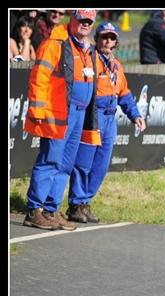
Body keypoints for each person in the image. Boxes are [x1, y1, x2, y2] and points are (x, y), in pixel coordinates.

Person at [22, 9, 101, 231]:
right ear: (72, 19)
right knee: (50, 161)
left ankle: (51, 210)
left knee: (65, 165)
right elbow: (39, 77)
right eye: (81, 19)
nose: (85, 24)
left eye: (89, 21)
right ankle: (34, 210)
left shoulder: (86, 48)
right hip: (57, 114)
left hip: (79, 114)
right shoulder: (54, 43)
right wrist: (38, 111)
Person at [67, 22, 146, 224]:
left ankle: (85, 202)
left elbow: (124, 93)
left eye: (111, 38)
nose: (107, 41)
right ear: (97, 39)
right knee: (83, 163)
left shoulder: (117, 65)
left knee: (101, 165)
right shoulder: (90, 59)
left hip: (111, 118)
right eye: (104, 37)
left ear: (116, 42)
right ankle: (76, 204)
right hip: (93, 115)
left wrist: (135, 115)